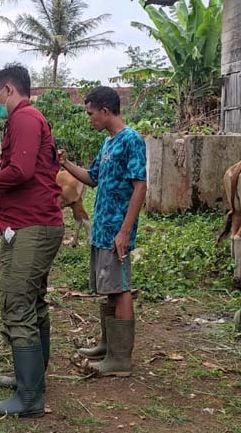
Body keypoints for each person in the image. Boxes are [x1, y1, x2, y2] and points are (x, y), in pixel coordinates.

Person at [0, 63, 64, 418]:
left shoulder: (23, 118)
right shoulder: (29, 119)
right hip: (35, 222)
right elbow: (24, 164)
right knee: (33, 302)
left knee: (17, 303)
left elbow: (21, 172)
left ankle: (30, 397)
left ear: (7, 89)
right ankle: (31, 379)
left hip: (31, 225)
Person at [58, 86, 147, 377]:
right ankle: (108, 346)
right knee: (109, 288)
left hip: (116, 230)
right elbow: (93, 179)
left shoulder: (131, 140)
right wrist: (66, 164)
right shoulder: (108, 143)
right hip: (102, 228)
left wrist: (124, 231)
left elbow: (140, 187)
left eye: (91, 113)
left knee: (120, 289)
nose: (89, 119)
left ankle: (120, 359)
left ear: (105, 111)